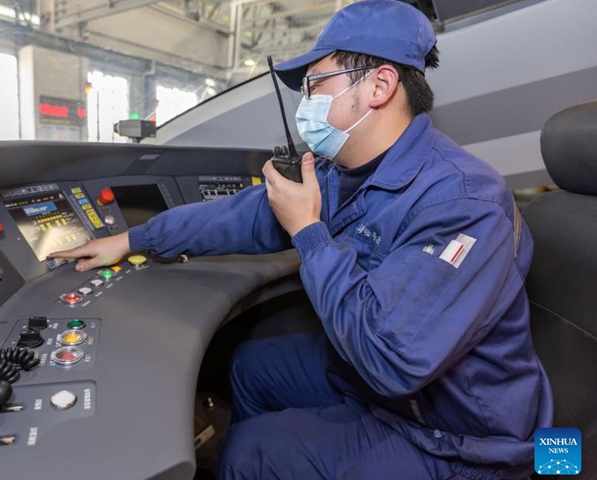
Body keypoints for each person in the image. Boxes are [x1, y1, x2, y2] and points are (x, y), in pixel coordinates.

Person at [49, 1, 553, 478]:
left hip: (459, 433)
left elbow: (393, 360)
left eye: (316, 85)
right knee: (250, 367)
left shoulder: (464, 202)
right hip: (392, 388)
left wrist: (308, 232)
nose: (306, 103)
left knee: (250, 454)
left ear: (379, 86)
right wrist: (135, 238)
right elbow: (242, 214)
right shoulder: (346, 171)